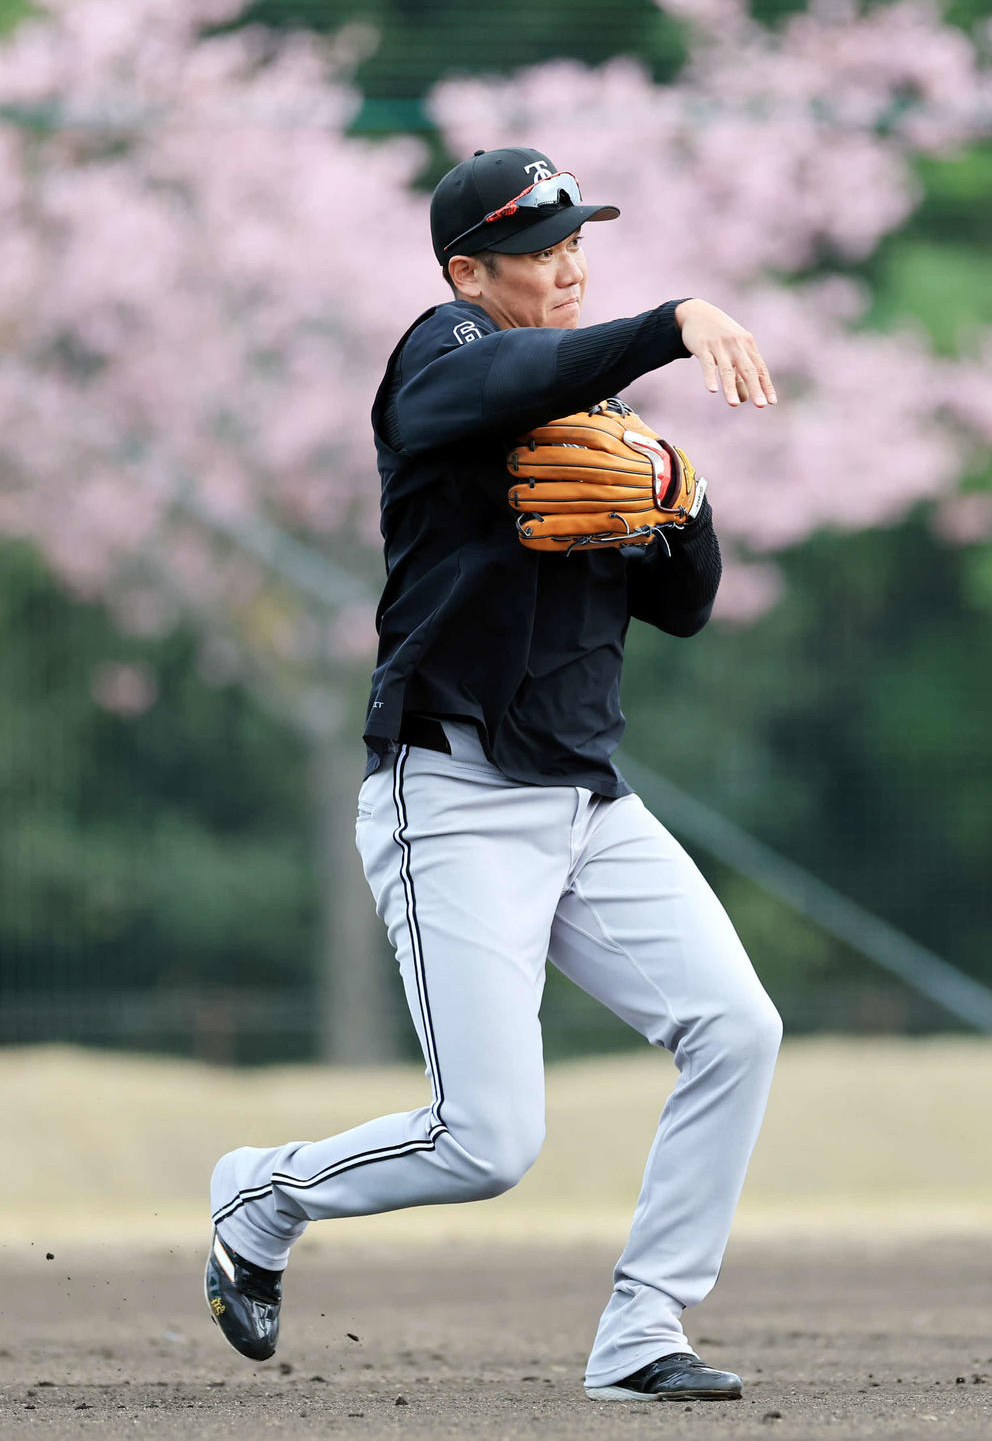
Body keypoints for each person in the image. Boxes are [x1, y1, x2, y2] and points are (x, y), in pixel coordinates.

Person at [204, 146, 783, 1402]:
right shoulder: (444, 357)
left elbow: (682, 609)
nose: (567, 266)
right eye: (536, 249)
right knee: (486, 1142)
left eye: (575, 242)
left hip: (587, 799)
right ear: (469, 273)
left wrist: (682, 505)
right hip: (451, 796)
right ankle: (261, 1195)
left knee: (737, 1029)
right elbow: (504, 378)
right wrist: (672, 322)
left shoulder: (590, 405)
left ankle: (643, 1327)